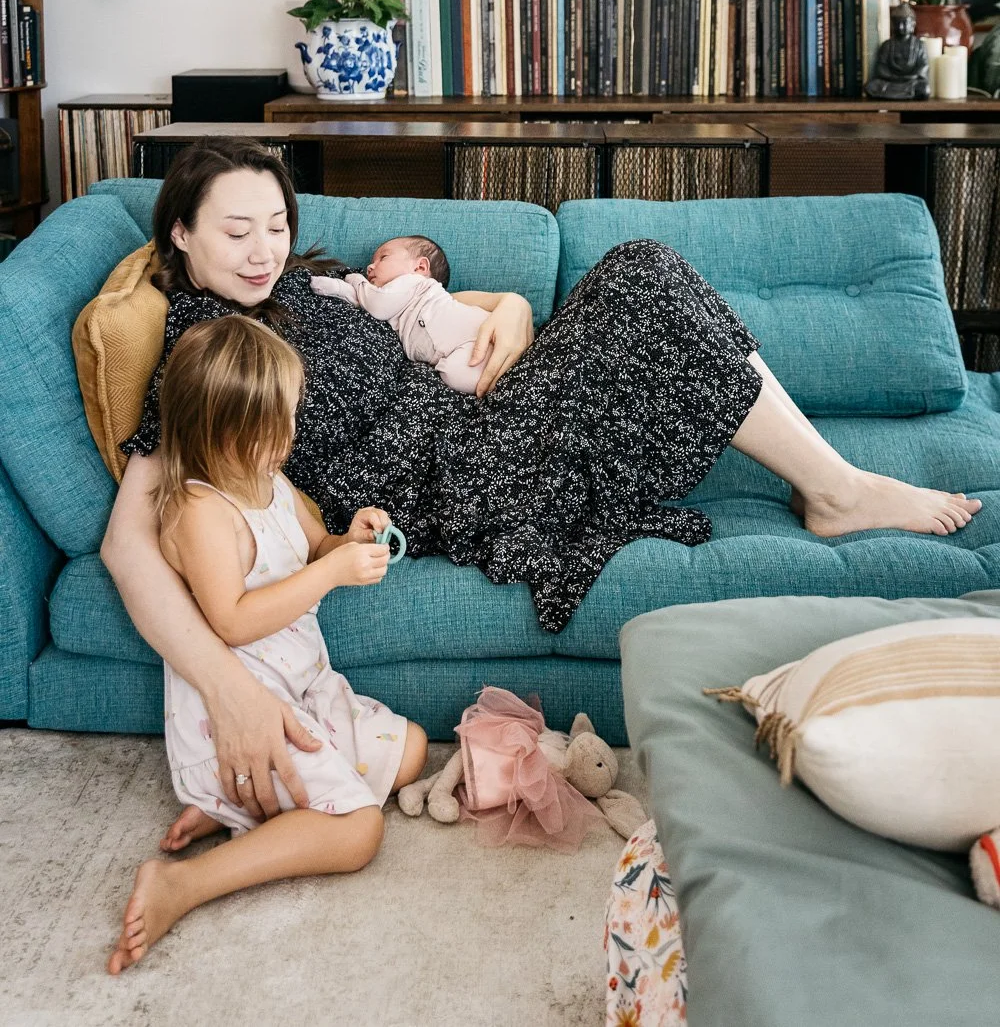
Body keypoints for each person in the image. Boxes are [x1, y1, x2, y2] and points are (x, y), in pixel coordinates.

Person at [100, 138, 980, 829]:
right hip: (470, 482)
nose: (263, 251)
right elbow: (128, 545)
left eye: (275, 226)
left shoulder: (306, 286)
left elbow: (425, 308)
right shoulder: (206, 355)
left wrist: (514, 308)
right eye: (236, 232)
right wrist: (231, 692)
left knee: (642, 265)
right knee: (644, 278)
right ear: (180, 233)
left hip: (484, 417)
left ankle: (834, 486)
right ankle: (837, 492)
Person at [108, 313, 427, 974]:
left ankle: (235, 811)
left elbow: (313, 546)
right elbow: (230, 619)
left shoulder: (270, 482)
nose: (288, 438)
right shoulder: (202, 511)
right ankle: (185, 882)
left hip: (305, 690)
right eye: (271, 428)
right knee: (359, 830)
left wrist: (348, 541)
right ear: (217, 434)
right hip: (248, 715)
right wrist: (330, 575)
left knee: (413, 749)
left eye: (287, 419)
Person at [310, 234, 489, 394]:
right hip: (458, 349)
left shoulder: (415, 283)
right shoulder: (396, 302)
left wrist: (356, 279)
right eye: (372, 262)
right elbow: (367, 302)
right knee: (457, 374)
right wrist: (339, 288)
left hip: (474, 337)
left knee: (454, 374)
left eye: (383, 257)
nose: (370, 267)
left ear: (420, 267)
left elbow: (376, 304)